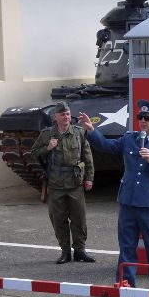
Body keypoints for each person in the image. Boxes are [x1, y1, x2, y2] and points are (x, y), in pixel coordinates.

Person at [78, 100, 149, 291]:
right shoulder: (129, 138)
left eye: (148, 118)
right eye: (140, 118)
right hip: (128, 203)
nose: (143, 122)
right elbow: (106, 146)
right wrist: (91, 130)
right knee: (127, 248)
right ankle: (125, 289)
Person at [31, 101, 95, 264]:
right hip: (56, 184)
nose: (66, 117)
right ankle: (65, 251)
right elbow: (33, 153)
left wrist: (89, 178)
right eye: (62, 114)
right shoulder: (47, 135)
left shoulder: (79, 133)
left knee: (79, 219)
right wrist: (48, 148)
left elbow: (87, 157)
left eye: (67, 114)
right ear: (55, 117)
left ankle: (80, 251)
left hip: (75, 184)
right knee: (58, 219)